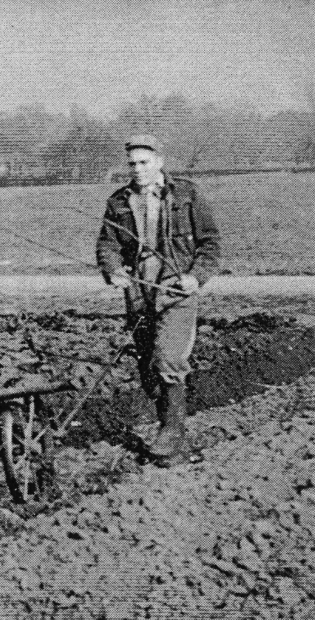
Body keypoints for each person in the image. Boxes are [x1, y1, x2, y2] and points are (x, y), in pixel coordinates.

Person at [97, 135, 220, 466]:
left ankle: (171, 432)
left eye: (144, 162)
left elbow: (210, 244)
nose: (137, 169)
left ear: (159, 162)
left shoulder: (187, 195)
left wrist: (195, 277)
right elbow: (108, 245)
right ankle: (171, 424)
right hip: (138, 293)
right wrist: (113, 270)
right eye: (132, 164)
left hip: (175, 290)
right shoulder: (119, 202)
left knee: (168, 360)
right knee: (149, 368)